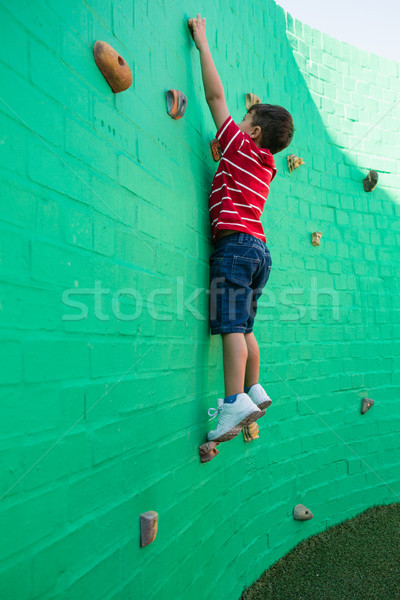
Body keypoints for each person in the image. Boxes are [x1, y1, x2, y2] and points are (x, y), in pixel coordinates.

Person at [188, 15, 294, 443]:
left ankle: (234, 403)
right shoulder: (266, 165)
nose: (237, 119)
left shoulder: (238, 145)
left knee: (232, 326)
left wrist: (202, 44)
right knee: (247, 327)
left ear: (251, 131)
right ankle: (253, 388)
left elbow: (214, 95)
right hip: (259, 251)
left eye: (245, 117)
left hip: (235, 246)